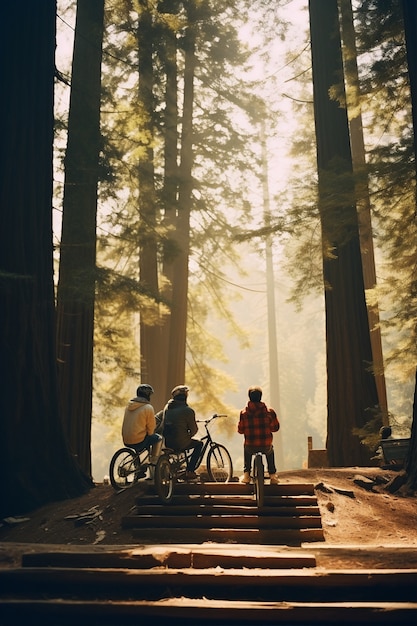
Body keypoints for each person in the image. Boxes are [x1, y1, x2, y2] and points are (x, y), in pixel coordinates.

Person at [238, 386, 280, 485]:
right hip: (265, 445)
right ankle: (272, 476)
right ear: (261, 397)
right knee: (270, 452)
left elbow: (240, 430)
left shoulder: (243, 413)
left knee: (246, 449)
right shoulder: (269, 412)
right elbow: (275, 428)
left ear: (249, 397)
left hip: (250, 446)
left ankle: (247, 475)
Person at [162, 385, 203, 480]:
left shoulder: (167, 408)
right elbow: (194, 430)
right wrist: (188, 436)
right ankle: (190, 471)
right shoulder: (188, 411)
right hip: (181, 442)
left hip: (168, 442)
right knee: (199, 444)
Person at [122, 384, 162, 466]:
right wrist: (151, 433)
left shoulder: (129, 406)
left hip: (126, 439)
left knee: (140, 437)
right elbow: (151, 429)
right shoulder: (148, 407)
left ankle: (138, 469)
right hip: (138, 440)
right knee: (158, 438)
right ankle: (153, 461)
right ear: (147, 395)